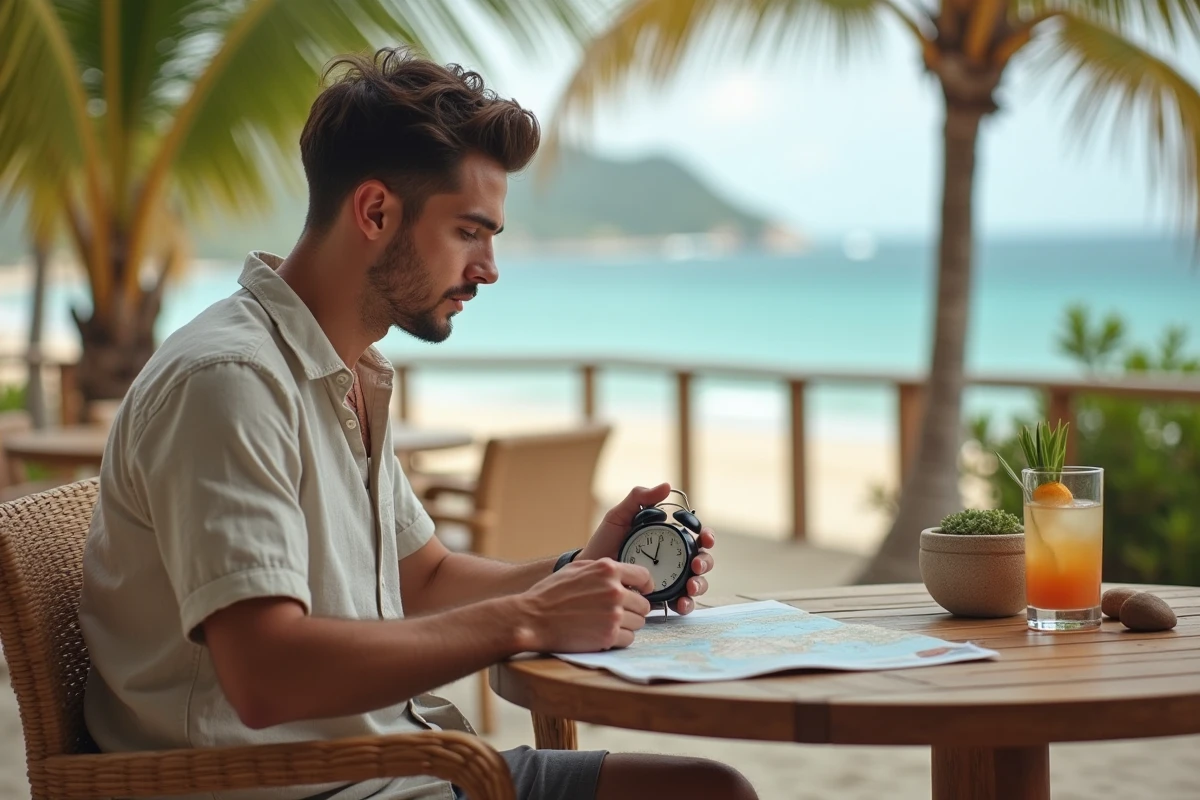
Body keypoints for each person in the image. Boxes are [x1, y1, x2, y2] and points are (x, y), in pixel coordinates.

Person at [78, 47, 758, 800]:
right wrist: (526, 621)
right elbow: (264, 676)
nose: (490, 267)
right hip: (295, 785)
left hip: (396, 764)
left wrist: (578, 571)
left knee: (708, 791)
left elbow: (423, 577)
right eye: (470, 231)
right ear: (375, 212)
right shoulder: (230, 382)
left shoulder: (344, 372)